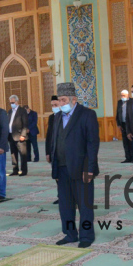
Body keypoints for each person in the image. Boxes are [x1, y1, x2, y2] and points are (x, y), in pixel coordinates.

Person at [50, 82, 100, 248]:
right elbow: (55, 142)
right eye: (60, 100)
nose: (61, 104)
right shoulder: (57, 117)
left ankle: (86, 236)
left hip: (81, 169)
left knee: (85, 205)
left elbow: (92, 145)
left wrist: (90, 169)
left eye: (64, 100)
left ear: (74, 99)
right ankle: (70, 234)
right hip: (62, 169)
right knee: (65, 205)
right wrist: (55, 169)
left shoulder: (87, 115)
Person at [7, 95, 29, 176]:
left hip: (20, 136)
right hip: (11, 136)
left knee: (23, 154)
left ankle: (24, 170)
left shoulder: (22, 111)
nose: (11, 104)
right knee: (13, 154)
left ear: (17, 102)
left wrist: (23, 135)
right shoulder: (9, 111)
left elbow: (25, 124)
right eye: (10, 102)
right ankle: (15, 170)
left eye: (12, 102)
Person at [45, 96, 61, 205]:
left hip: (64, 152)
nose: (54, 107)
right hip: (53, 152)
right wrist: (47, 152)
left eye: (56, 105)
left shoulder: (66, 117)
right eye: (52, 105)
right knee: (56, 175)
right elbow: (48, 136)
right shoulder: (52, 117)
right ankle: (61, 196)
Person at [115, 90, 132, 164]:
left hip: (130, 124)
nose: (122, 97)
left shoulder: (131, 102)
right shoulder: (119, 102)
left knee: (131, 141)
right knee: (125, 142)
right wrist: (118, 124)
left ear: (128, 95)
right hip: (123, 124)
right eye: (121, 95)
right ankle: (128, 158)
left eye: (124, 95)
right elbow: (117, 113)